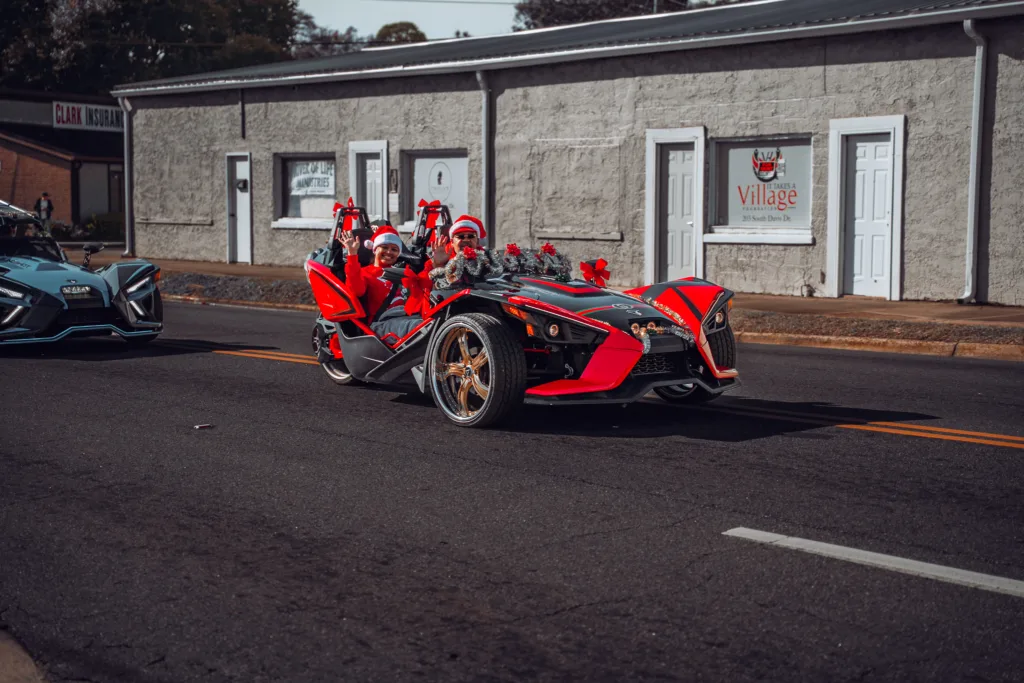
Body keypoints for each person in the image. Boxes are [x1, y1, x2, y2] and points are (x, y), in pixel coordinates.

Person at [339, 224, 428, 339]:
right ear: (375, 249)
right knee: (421, 327)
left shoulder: (403, 272)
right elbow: (356, 290)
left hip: (407, 317)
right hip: (381, 323)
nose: (389, 252)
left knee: (433, 323)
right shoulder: (366, 272)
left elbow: (424, 286)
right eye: (385, 247)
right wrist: (352, 254)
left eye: (394, 249)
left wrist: (437, 263)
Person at [427, 214, 502, 288]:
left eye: (471, 236)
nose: (466, 240)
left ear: (478, 241)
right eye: (461, 236)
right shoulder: (441, 258)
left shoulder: (489, 259)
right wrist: (437, 265)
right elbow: (423, 289)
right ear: (452, 242)